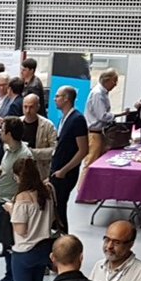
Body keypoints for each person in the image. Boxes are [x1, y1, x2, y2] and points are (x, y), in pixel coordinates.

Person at [7, 157, 57, 281]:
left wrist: (11, 210)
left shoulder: (22, 198)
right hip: (43, 249)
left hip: (24, 253)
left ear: (19, 176)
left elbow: (21, 230)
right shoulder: (48, 191)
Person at [0, 117, 33, 281]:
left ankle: (13, 278)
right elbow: (3, 167)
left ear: (9, 133)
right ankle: (9, 275)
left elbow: (26, 183)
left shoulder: (24, 156)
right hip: (1, 200)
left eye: (2, 129)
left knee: (11, 243)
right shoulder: (9, 150)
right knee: (5, 242)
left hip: (11, 205)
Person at [49, 86, 89, 232]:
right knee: (54, 207)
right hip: (56, 168)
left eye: (58, 96)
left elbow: (83, 150)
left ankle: (63, 240)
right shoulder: (64, 118)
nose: (55, 99)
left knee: (60, 208)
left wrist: (64, 170)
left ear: (66, 98)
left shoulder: (77, 119)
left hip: (65, 173)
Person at [82, 68, 120, 181]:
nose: (115, 85)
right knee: (91, 163)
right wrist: (116, 115)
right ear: (107, 80)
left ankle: (89, 191)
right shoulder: (98, 94)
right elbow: (102, 116)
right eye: (114, 81)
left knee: (95, 162)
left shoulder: (101, 92)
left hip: (98, 132)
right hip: (94, 133)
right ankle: (82, 191)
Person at [19, 94, 57, 180]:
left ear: (38, 107)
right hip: (19, 168)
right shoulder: (17, 122)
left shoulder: (48, 125)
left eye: (31, 107)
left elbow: (54, 150)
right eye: (25, 107)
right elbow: (7, 143)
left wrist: (32, 152)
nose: (28, 111)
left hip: (39, 169)